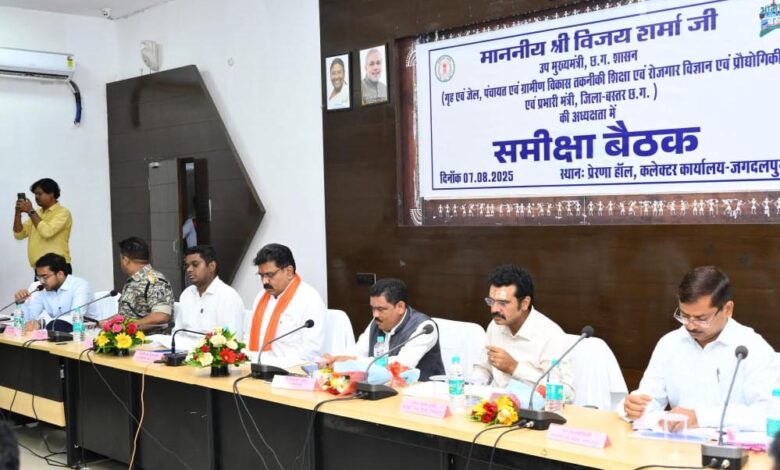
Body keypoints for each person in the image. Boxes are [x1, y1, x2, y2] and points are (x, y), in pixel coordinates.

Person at [622, 266, 777, 431]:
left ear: (727, 309)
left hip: (730, 445)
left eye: (701, 318)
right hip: (677, 443)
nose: (691, 325)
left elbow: (767, 413)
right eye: (684, 316)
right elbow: (649, 397)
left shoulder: (752, 347)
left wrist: (700, 418)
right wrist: (634, 407)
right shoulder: (669, 344)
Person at [471, 264, 574, 400]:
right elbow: (483, 369)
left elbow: (567, 393)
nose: (494, 309)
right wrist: (474, 389)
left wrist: (515, 368)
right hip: (495, 405)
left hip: (532, 409)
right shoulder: (495, 326)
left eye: (503, 303)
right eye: (491, 301)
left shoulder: (551, 336)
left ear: (525, 303)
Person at [322, 278, 445, 381]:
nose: (375, 314)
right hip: (385, 388)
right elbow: (358, 351)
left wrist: (355, 361)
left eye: (381, 309)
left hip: (423, 393)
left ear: (400, 307)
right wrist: (335, 359)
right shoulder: (377, 321)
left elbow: (402, 364)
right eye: (373, 308)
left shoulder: (424, 328)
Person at [243, 243, 325, 363]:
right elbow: (248, 337)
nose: (265, 281)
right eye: (261, 275)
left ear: (289, 272)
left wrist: (273, 364)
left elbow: (312, 351)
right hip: (257, 366)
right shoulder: (261, 297)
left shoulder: (309, 299)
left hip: (289, 370)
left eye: (270, 275)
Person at [175, 245, 245, 345]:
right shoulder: (186, 294)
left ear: (212, 266)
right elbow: (177, 332)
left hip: (210, 352)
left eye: (195, 264)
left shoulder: (228, 296)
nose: (189, 269)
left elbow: (232, 340)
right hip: (182, 350)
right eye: (187, 266)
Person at [13, 253, 94, 332]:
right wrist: (21, 303)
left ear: (60, 274)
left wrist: (42, 323)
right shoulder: (41, 288)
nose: (41, 281)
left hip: (85, 334)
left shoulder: (80, 286)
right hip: (55, 334)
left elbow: (75, 318)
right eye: (39, 277)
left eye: (45, 277)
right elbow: (32, 318)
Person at [13, 178, 73, 274]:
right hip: (40, 269)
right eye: (35, 194)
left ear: (52, 194)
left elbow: (47, 232)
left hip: (57, 267)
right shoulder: (37, 213)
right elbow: (19, 234)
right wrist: (17, 213)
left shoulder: (63, 213)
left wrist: (30, 211)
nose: (36, 197)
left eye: (39, 194)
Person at [116, 236, 174, 328]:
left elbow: (161, 315)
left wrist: (130, 326)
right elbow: (126, 314)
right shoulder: (133, 280)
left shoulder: (155, 281)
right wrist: (107, 323)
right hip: (128, 335)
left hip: (149, 336)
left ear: (125, 260)